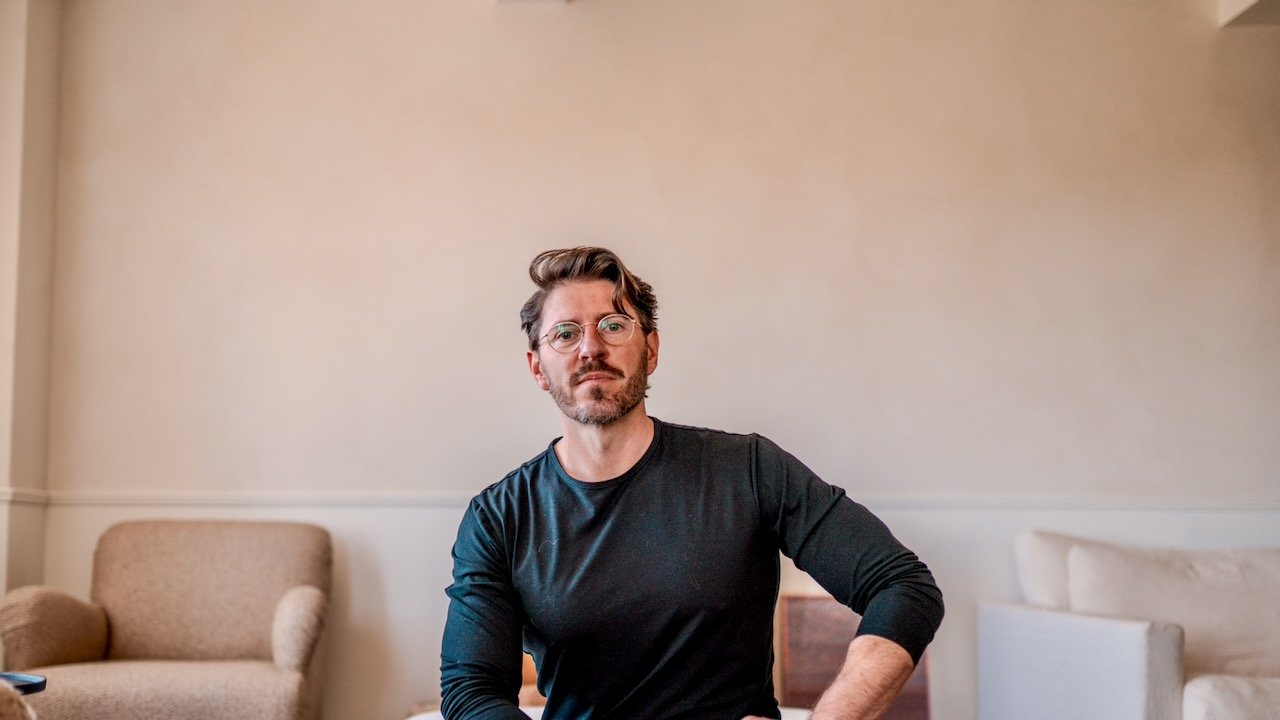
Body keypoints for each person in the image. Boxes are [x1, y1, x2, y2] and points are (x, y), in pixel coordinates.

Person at [440, 247, 944, 720]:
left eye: (614, 325)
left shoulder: (747, 468)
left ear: (650, 349)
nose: (591, 348)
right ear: (537, 367)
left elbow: (902, 586)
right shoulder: (498, 517)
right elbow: (472, 686)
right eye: (565, 334)